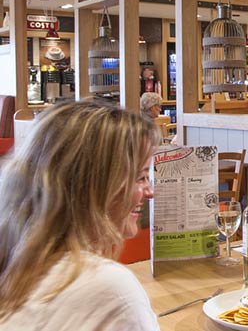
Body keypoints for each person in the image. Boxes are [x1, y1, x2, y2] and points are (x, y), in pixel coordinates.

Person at [0, 101, 160, 330]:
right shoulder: (110, 289)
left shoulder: (16, 262)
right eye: (140, 177)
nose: (150, 191)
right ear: (94, 186)